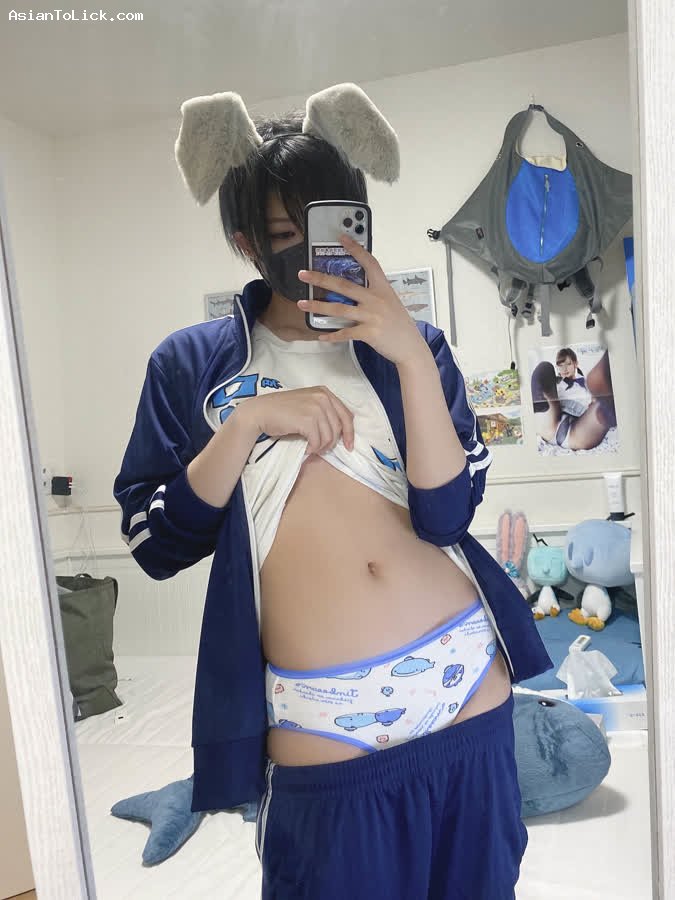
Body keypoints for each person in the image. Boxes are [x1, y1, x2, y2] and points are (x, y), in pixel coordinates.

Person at [113, 84, 552, 900]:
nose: (317, 253)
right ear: (246, 243)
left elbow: (447, 515)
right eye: (286, 234)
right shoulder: (191, 364)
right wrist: (247, 424)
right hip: (322, 723)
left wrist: (409, 355)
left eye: (336, 224)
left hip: (466, 686)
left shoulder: (413, 345)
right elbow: (155, 543)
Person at [531, 346, 617, 451]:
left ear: (575, 364)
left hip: (578, 432)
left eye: (568, 364)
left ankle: (607, 406)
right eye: (560, 366)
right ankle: (536, 399)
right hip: (551, 424)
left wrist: (594, 400)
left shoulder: (584, 383)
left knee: (600, 404)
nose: (564, 369)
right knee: (545, 366)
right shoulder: (555, 383)